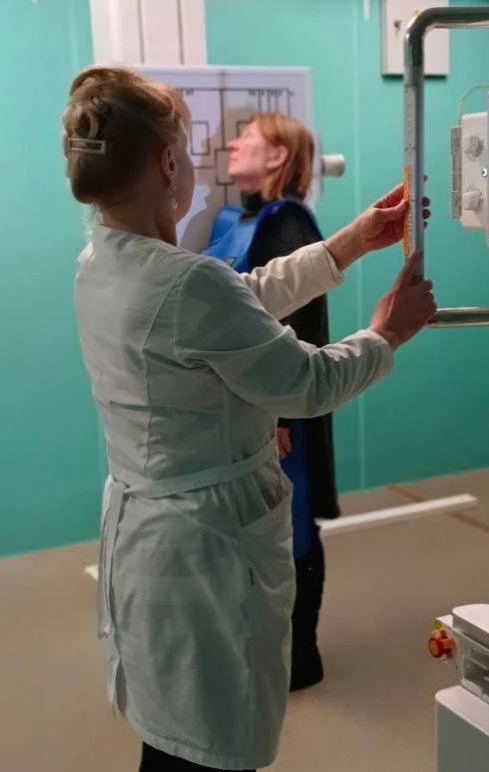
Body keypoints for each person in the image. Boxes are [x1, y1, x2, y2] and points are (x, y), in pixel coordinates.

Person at [63, 65, 435, 772]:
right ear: (167, 163)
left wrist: (350, 243)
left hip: (149, 531)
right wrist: (388, 332)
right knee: (207, 741)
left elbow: (238, 300)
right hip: (204, 544)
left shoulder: (102, 263)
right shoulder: (183, 281)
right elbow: (306, 381)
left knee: (173, 731)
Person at [202, 113, 337, 692]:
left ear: (278, 157)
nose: (234, 144)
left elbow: (293, 325)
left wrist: (279, 414)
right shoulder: (232, 220)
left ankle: (300, 658)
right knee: (257, 530)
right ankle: (263, 649)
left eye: (249, 139)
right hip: (239, 407)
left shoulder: (288, 222)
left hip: (280, 416)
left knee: (293, 528)